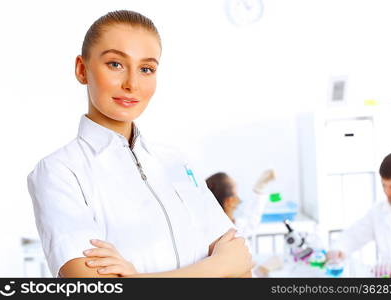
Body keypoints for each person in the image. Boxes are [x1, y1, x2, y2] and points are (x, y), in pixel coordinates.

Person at [27, 10, 252, 278]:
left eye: (146, 69)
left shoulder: (175, 161)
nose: (132, 84)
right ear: (81, 69)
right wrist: (217, 266)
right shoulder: (59, 172)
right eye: (115, 64)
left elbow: (241, 268)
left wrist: (136, 281)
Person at [327, 152, 391, 265]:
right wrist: (338, 249)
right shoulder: (379, 211)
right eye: (384, 185)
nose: (387, 192)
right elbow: (353, 236)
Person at [205, 170, 275, 238]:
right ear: (228, 202)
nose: (239, 201)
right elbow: (251, 224)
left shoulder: (210, 229)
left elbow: (250, 223)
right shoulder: (230, 237)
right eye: (236, 195)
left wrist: (259, 190)